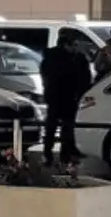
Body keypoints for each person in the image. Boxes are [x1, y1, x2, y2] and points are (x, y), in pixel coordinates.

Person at [39, 36, 92, 166]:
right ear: (65, 45)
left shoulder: (49, 58)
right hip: (67, 97)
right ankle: (64, 155)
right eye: (73, 45)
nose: (76, 48)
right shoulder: (74, 60)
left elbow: (46, 77)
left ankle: (49, 154)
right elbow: (83, 78)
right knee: (66, 127)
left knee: (52, 126)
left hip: (55, 97)